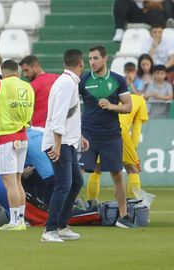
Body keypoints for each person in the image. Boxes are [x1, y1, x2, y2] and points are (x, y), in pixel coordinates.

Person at [79, 45, 134, 228]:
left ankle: (123, 216)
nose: (92, 62)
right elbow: (71, 104)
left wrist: (112, 106)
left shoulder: (118, 80)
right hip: (87, 135)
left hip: (111, 135)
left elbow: (128, 106)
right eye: (90, 59)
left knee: (117, 174)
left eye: (95, 58)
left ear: (105, 59)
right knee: (77, 174)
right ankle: (68, 213)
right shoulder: (84, 79)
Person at [40, 49, 87, 242]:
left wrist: (80, 136)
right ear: (80, 63)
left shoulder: (67, 82)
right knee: (64, 184)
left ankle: (61, 225)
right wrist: (57, 145)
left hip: (67, 141)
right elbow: (58, 117)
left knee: (76, 182)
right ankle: (50, 230)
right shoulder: (67, 84)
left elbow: (69, 115)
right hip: (60, 142)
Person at [0, 59, 35, 231]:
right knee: (18, 180)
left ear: (3, 73)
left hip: (6, 137)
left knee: (9, 182)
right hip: (22, 136)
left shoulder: (1, 84)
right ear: (17, 72)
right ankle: (20, 220)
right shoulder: (28, 87)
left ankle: (14, 221)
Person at [86, 94, 148, 202]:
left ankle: (91, 205)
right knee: (132, 169)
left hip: (100, 128)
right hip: (119, 129)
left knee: (97, 168)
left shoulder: (108, 96)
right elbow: (136, 130)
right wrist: (133, 154)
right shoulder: (140, 100)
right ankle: (135, 206)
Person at [19, 55, 60, 128]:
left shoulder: (30, 87)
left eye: (26, 70)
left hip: (38, 130)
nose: (25, 75)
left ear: (35, 66)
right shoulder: (57, 78)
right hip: (56, 128)